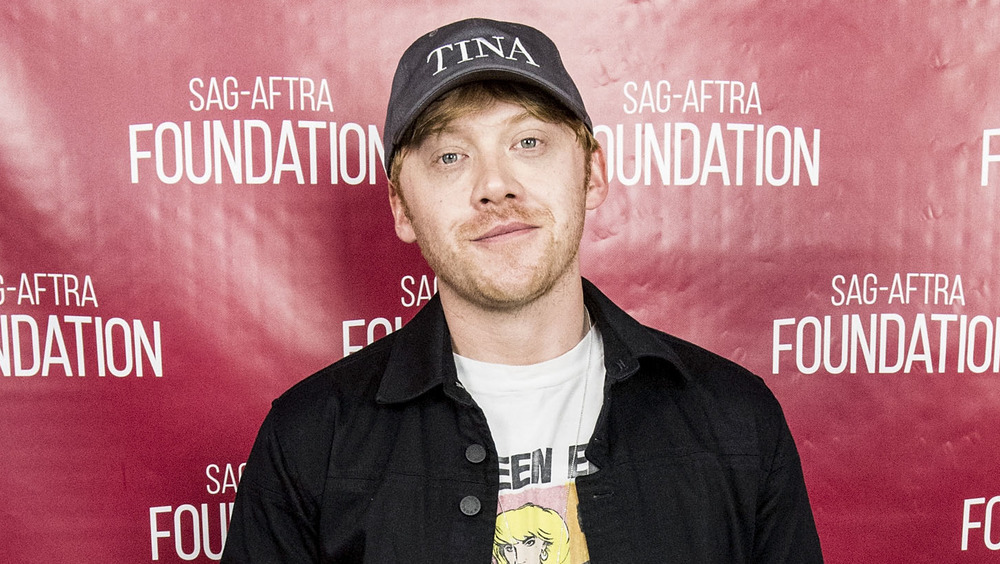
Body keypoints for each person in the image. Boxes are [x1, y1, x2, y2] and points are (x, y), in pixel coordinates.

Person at [222, 18, 823, 563]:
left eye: (528, 143)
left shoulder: (736, 422)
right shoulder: (309, 441)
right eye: (451, 156)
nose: (495, 185)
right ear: (402, 207)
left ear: (592, 171)